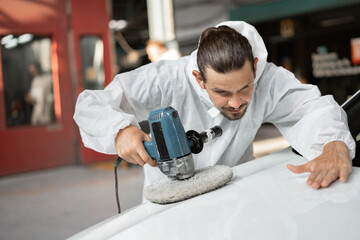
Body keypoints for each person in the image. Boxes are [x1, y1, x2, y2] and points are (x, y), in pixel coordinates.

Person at [74, 21, 355, 192]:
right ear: (198, 78)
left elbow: (311, 108)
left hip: (238, 193)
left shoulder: (268, 78)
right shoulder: (165, 79)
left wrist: (334, 144)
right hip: (169, 205)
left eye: (245, 88)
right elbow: (90, 104)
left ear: (255, 68)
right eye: (222, 92)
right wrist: (120, 130)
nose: (235, 102)